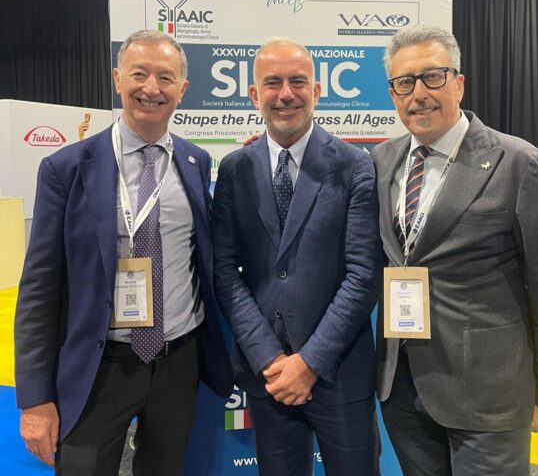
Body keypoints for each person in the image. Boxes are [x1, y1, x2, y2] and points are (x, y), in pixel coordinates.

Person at [14, 30, 233, 475]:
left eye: (165, 77)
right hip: (99, 365)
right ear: (117, 79)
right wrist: (35, 399)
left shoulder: (195, 162)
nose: (152, 88)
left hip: (178, 362)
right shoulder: (66, 169)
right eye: (139, 74)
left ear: (182, 90)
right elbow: (39, 288)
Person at [373, 24, 538, 476]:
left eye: (432, 77)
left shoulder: (519, 163)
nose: (419, 94)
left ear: (459, 83)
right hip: (404, 389)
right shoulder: (381, 161)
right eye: (404, 83)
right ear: (393, 94)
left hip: (490, 395)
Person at [211, 37, 381, 476]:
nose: (285, 93)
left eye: (298, 81)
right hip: (267, 376)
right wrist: (269, 358)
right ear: (254, 94)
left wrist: (309, 363)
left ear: (317, 91)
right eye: (273, 83)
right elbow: (225, 271)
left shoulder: (355, 165)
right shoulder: (234, 169)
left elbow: (363, 275)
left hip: (339, 371)